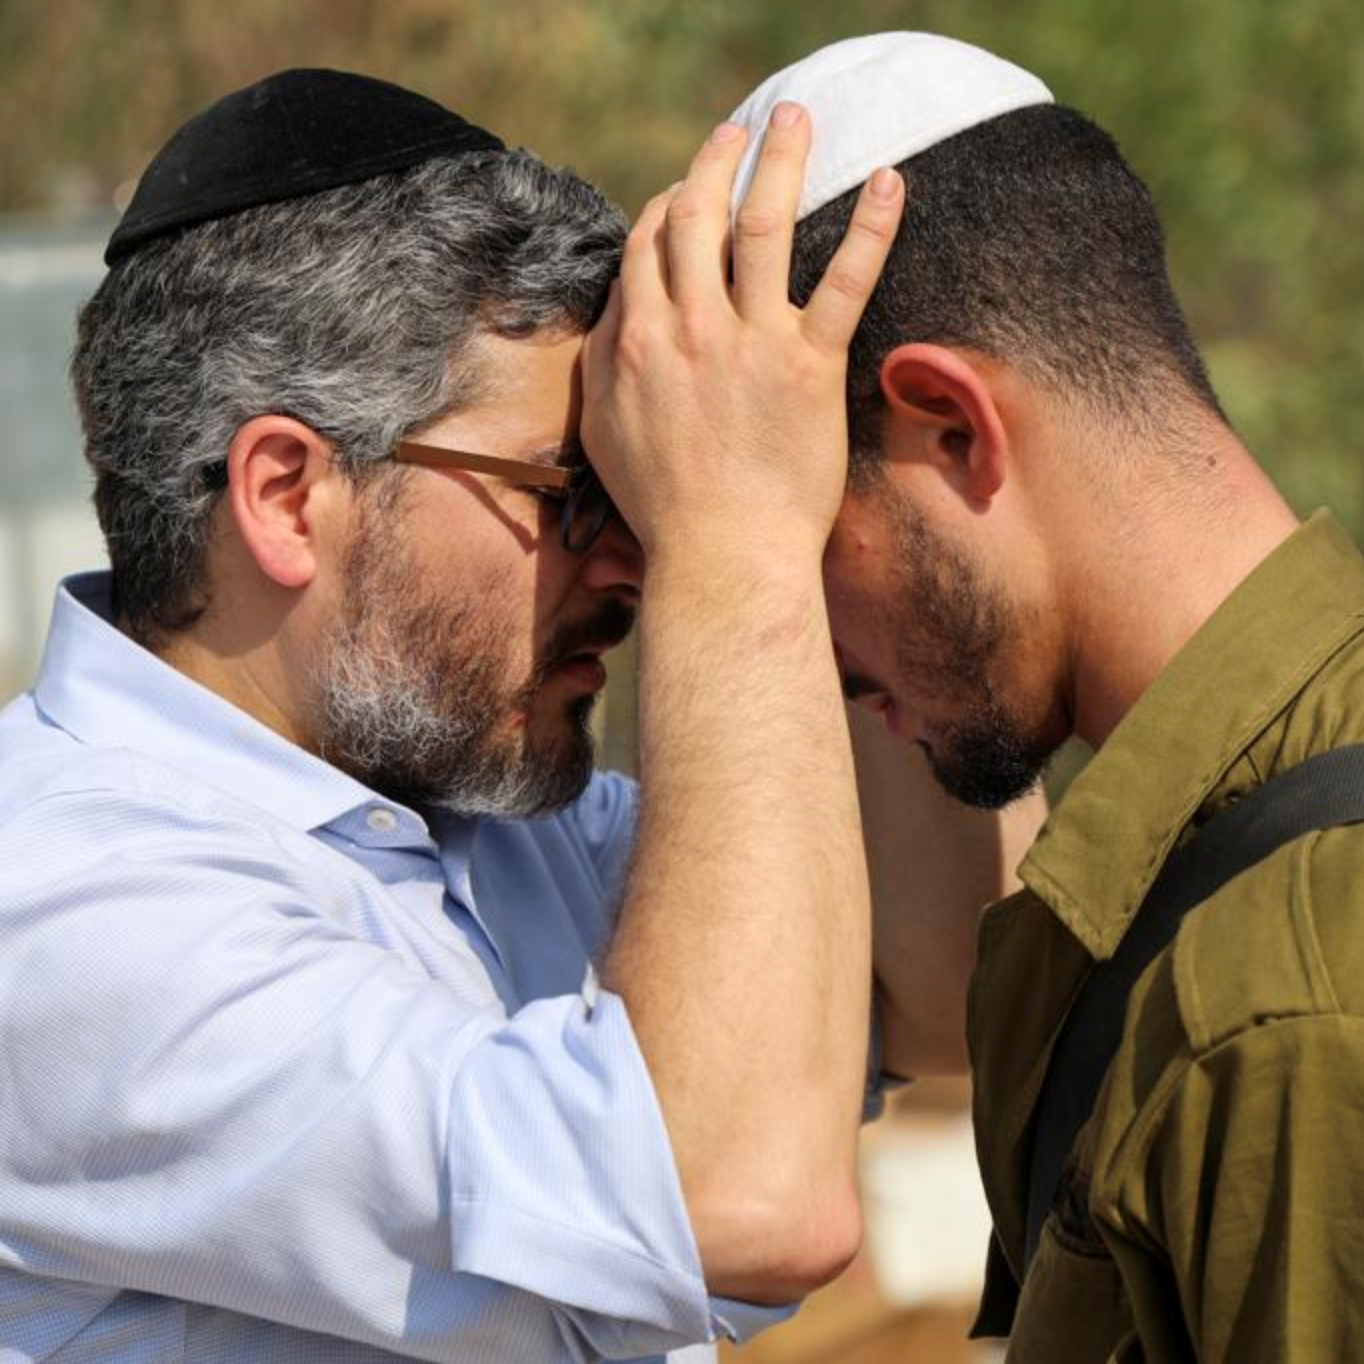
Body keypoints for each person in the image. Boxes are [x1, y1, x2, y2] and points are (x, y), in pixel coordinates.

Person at [0, 66, 1032, 1363]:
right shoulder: (66, 908)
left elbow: (947, 991)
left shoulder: (489, 816)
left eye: (638, 492)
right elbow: (735, 1200)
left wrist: (807, 495)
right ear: (284, 494)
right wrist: (737, 534)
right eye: (573, 494)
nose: (636, 562)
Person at [672, 29, 1364, 1363]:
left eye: (789, 539)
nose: (805, 652)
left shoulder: (1291, 987)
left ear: (951, 425)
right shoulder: (1208, 888)